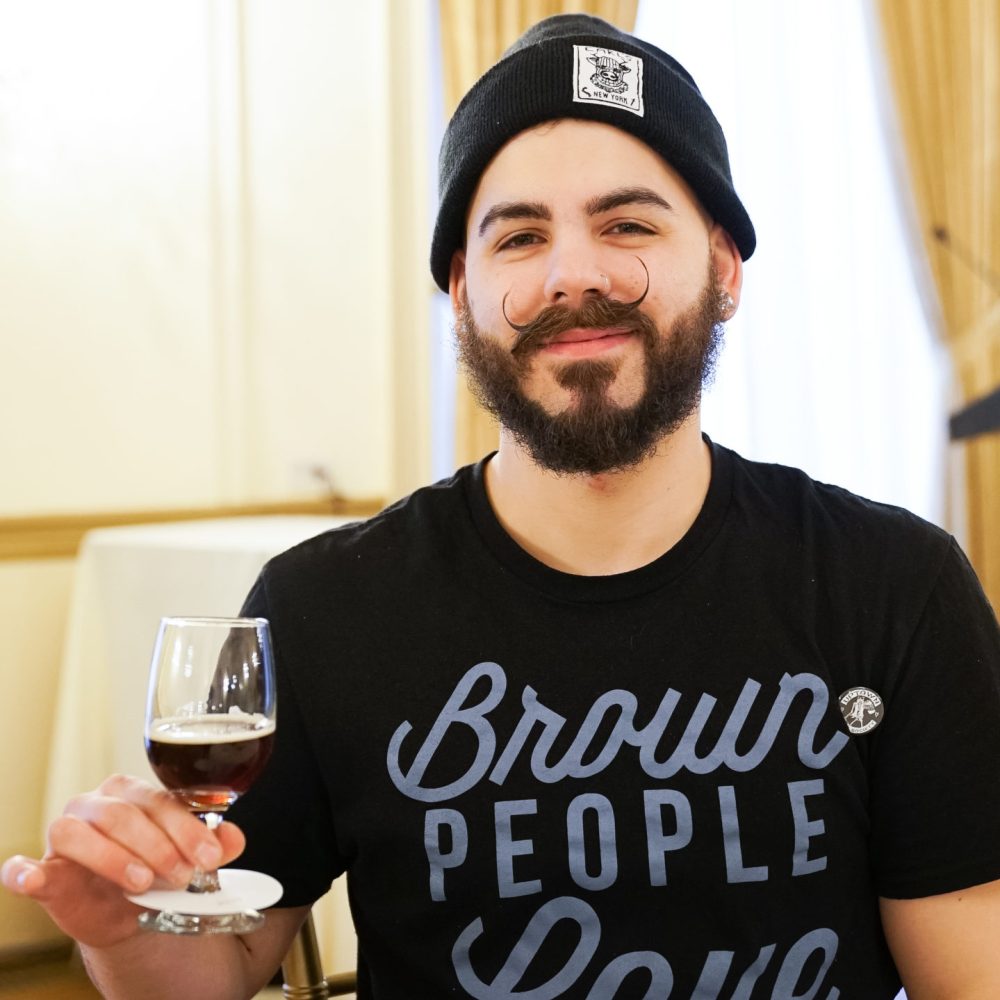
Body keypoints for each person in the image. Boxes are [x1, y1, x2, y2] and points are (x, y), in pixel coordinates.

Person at [4, 14, 1000, 999]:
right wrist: (125, 931)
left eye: (627, 224)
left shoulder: (895, 588)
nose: (573, 275)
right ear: (461, 291)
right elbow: (209, 975)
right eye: (520, 237)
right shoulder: (321, 609)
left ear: (724, 266)